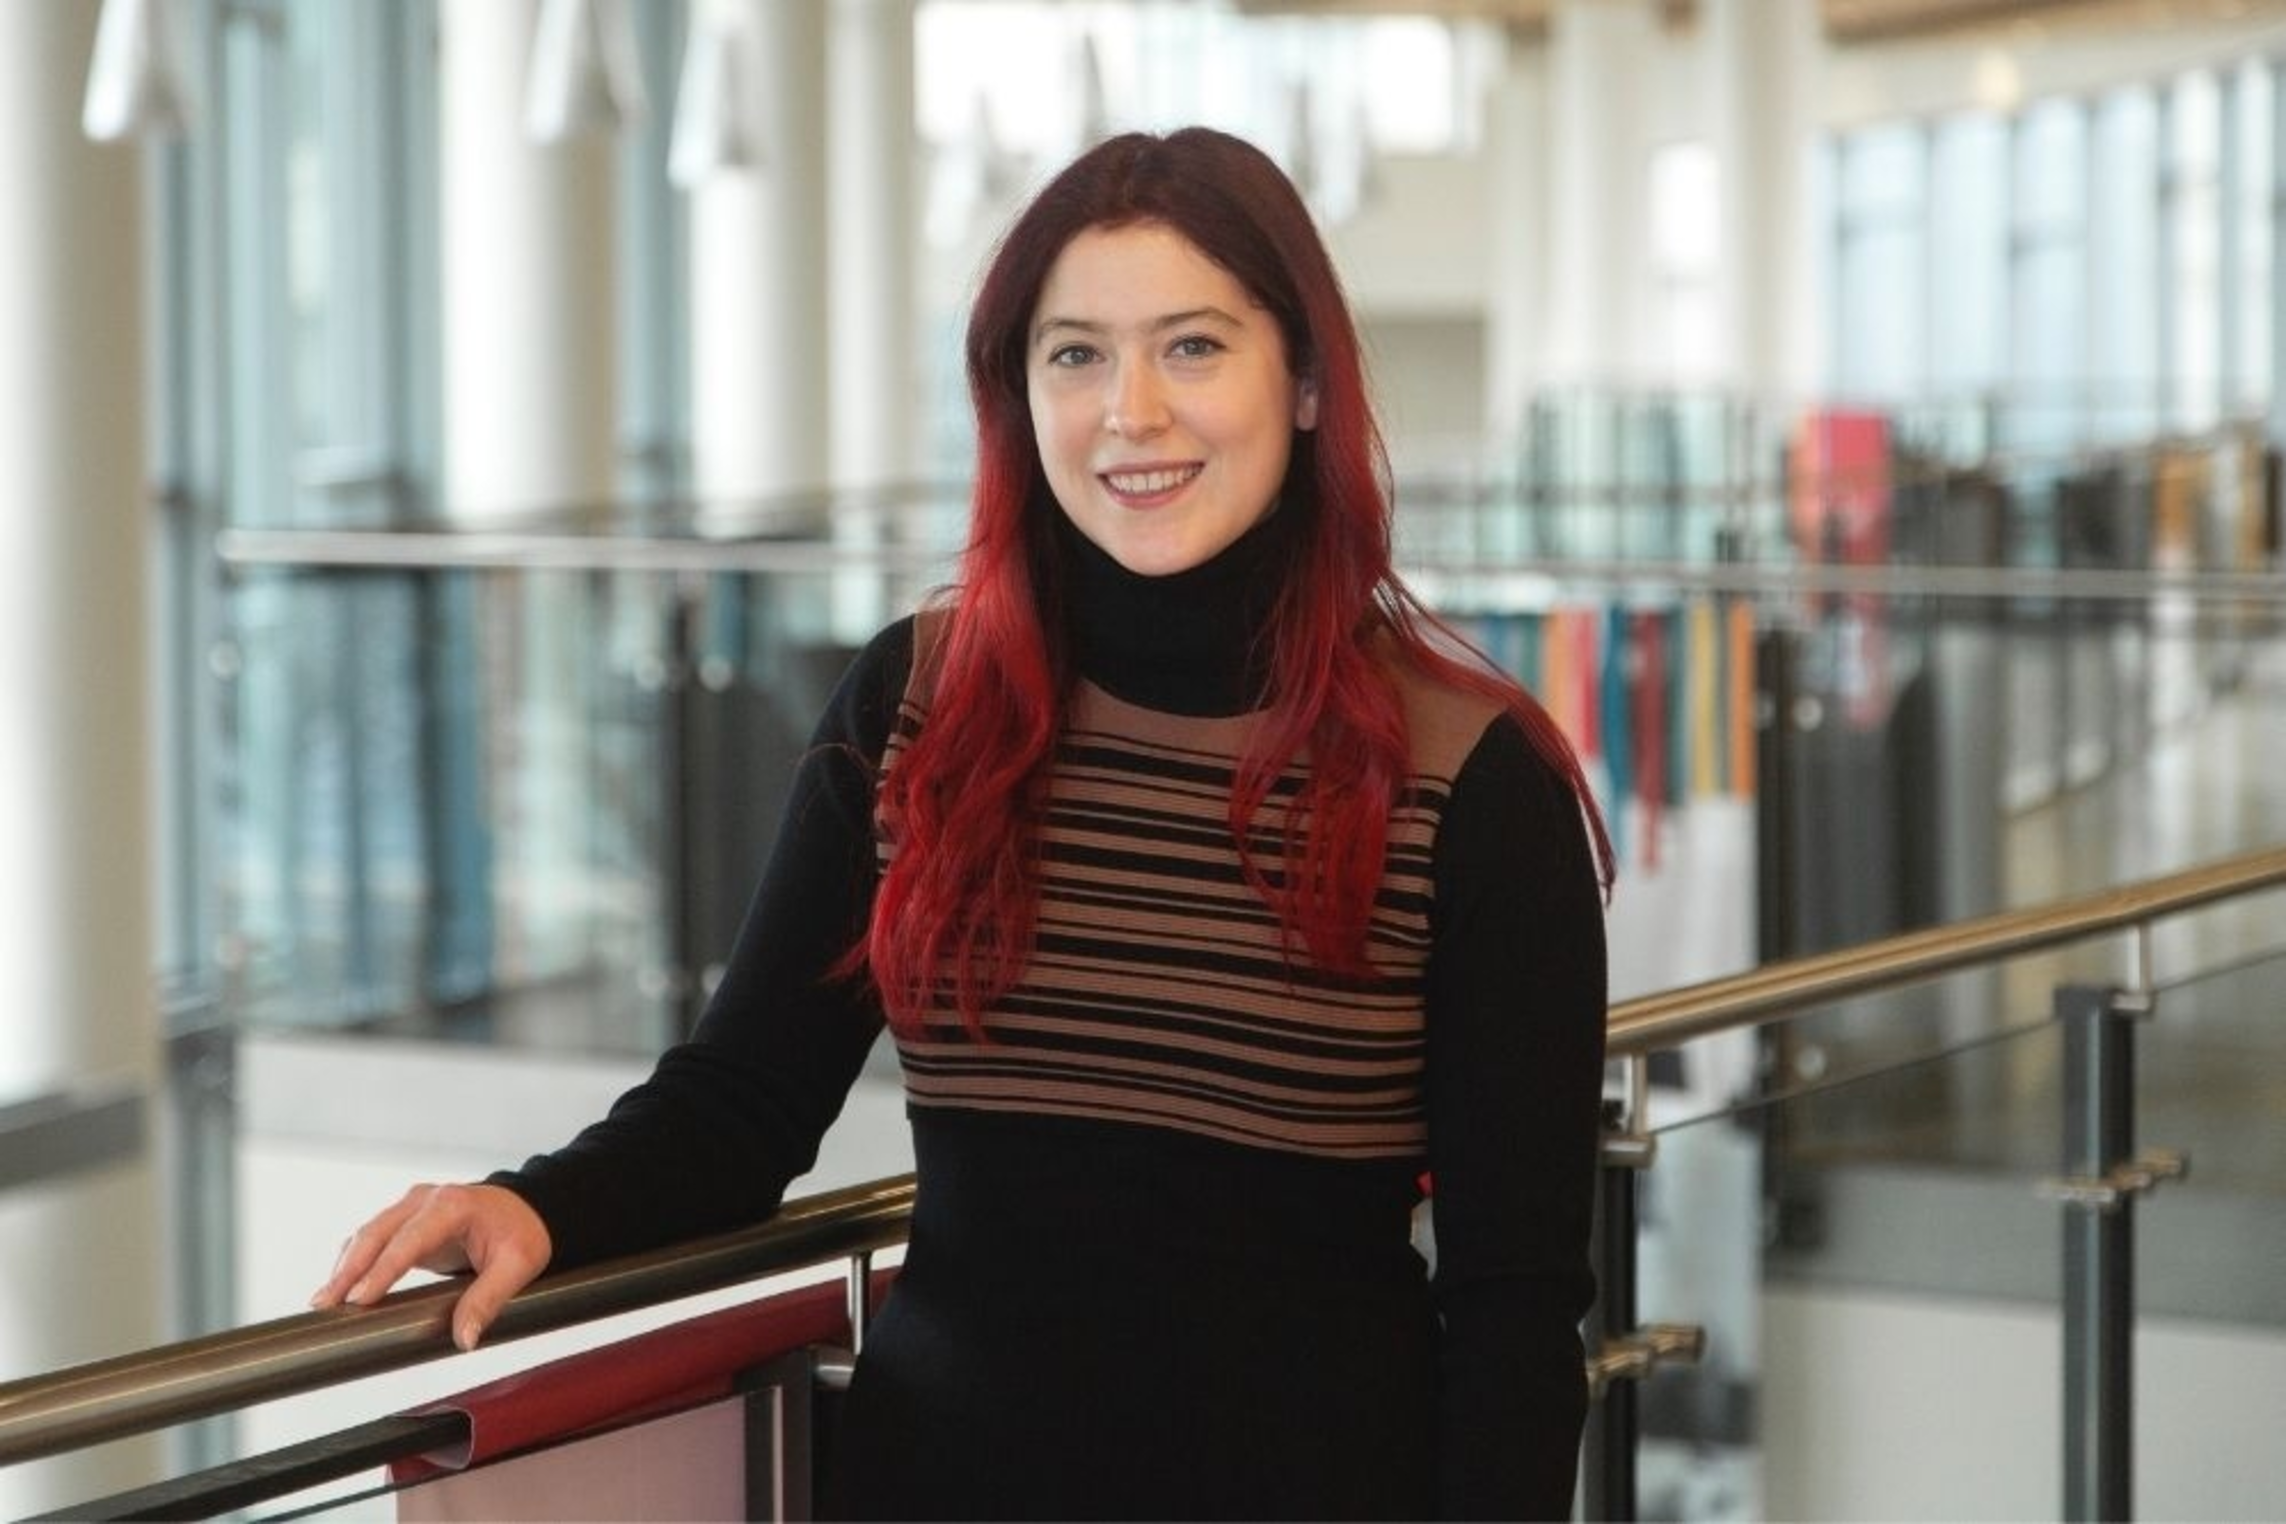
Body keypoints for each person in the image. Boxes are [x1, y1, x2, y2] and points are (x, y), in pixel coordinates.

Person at [313, 125, 1612, 1521]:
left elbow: (1514, 1309)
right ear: (1016, 393)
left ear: (1302, 382)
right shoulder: (919, 710)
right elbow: (744, 1100)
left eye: (1191, 346)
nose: (1131, 412)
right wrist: (539, 1206)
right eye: (1076, 355)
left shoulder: (1471, 779)